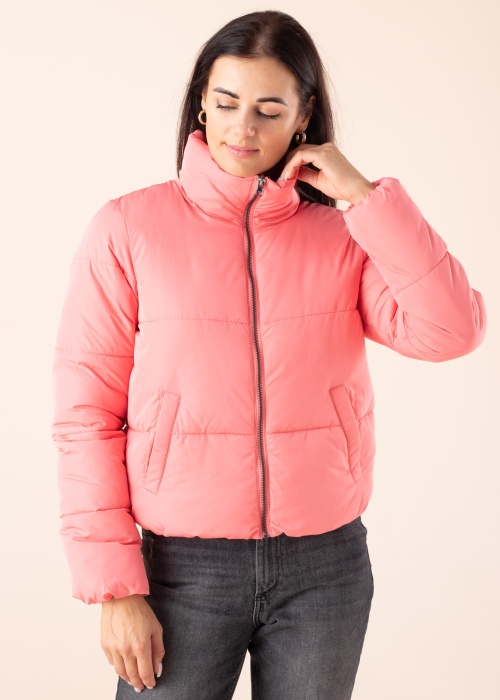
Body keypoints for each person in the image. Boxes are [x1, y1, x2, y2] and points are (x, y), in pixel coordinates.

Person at [50, 9, 487, 700]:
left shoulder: (343, 236)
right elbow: (86, 416)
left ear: (304, 115)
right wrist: (115, 587)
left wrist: (366, 198)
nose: (242, 128)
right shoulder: (128, 229)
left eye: (268, 109)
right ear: (201, 101)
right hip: (181, 570)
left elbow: (452, 330)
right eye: (226, 103)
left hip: (326, 567)